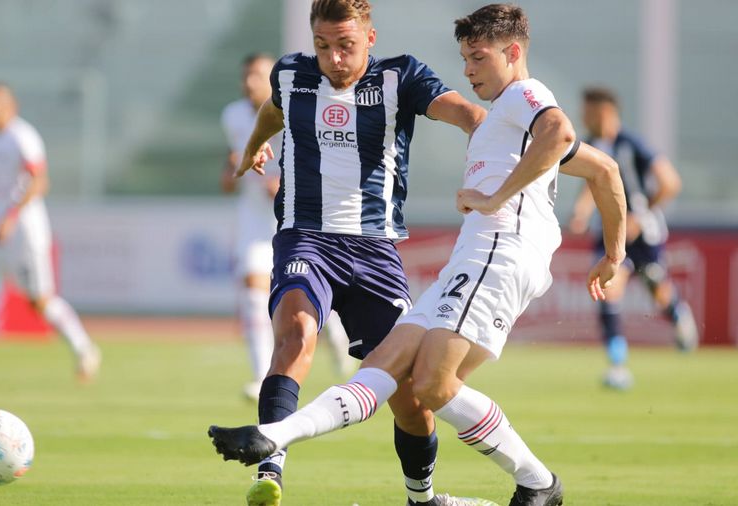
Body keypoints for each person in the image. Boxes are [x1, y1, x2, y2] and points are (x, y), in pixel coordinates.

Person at [208, 4, 627, 506]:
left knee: (429, 385)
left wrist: (495, 195)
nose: (467, 70)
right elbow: (603, 169)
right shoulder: (502, 116)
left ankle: (537, 484)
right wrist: (614, 252)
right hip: (427, 254)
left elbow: (552, 132)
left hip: (487, 255)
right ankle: (275, 444)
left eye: (476, 59)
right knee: (386, 369)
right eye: (464, 59)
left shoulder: (518, 98)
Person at [214, 1, 489, 505]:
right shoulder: (292, 74)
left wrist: (491, 158)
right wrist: (255, 146)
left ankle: (421, 497)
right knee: (297, 335)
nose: (334, 59)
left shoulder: (401, 77)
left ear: (370, 38)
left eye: (346, 46)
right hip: (305, 237)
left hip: (374, 252)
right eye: (323, 46)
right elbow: (274, 109)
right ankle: (270, 468)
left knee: (410, 394)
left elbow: (467, 114)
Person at [221, 54, 354, 402]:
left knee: (305, 289)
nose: (251, 82)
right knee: (253, 288)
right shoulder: (233, 115)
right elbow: (229, 171)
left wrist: (284, 184)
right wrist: (232, 171)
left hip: (294, 215)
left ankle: (335, 334)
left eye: (258, 75)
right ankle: (260, 375)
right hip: (254, 217)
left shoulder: (295, 109)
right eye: (247, 75)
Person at [568, 86, 698, 390]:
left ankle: (677, 313)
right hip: (610, 231)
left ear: (604, 112)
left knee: (656, 287)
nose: (582, 117)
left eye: (587, 112)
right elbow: (591, 183)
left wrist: (640, 215)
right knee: (607, 288)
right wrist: (581, 212)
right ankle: (617, 365)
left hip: (642, 234)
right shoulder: (590, 145)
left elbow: (670, 182)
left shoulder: (631, 144)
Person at [0, 83, 101, 388]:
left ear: (12, 106)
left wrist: (11, 217)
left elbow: (40, 181)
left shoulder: (23, 136)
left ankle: (84, 348)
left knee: (40, 301)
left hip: (24, 227)